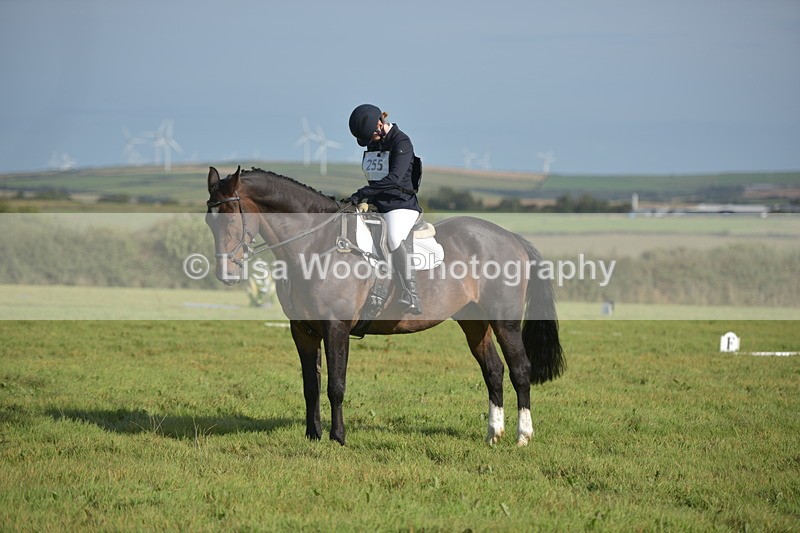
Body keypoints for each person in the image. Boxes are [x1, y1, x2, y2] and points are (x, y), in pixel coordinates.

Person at [347, 103, 422, 315]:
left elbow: (393, 180)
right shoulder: (373, 144)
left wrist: (363, 192)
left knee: (394, 237)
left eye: (371, 136)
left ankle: (411, 293)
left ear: (380, 123)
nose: (369, 142)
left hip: (401, 205)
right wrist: (364, 199)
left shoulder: (402, 142)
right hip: (378, 205)